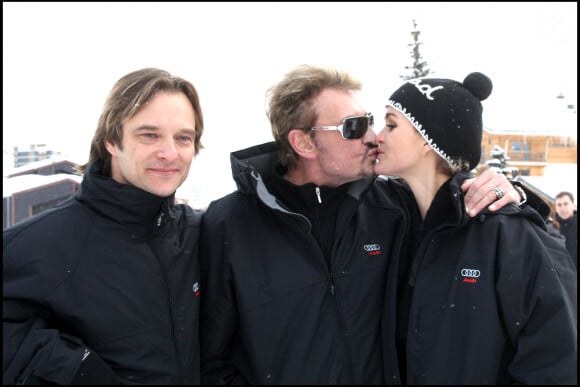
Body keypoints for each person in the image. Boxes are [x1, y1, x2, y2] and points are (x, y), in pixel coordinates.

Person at [199, 64, 521, 385]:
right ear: (304, 143)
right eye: (353, 127)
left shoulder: (392, 208)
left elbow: (454, 202)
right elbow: (212, 359)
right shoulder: (229, 225)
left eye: (369, 121)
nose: (372, 137)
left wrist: (509, 192)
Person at [3, 68, 204, 384]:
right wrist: (76, 370)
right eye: (149, 135)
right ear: (111, 139)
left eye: (183, 138)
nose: (169, 153)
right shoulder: (44, 243)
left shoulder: (199, 236)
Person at [375, 72, 577, 384]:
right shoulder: (392, 225)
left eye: (390, 124)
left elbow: (557, 362)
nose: (377, 136)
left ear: (429, 140)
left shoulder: (510, 237)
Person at [555, 191, 577, 267]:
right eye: (559, 205)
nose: (562, 208)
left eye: (566, 204)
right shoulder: (550, 228)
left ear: (574, 206)